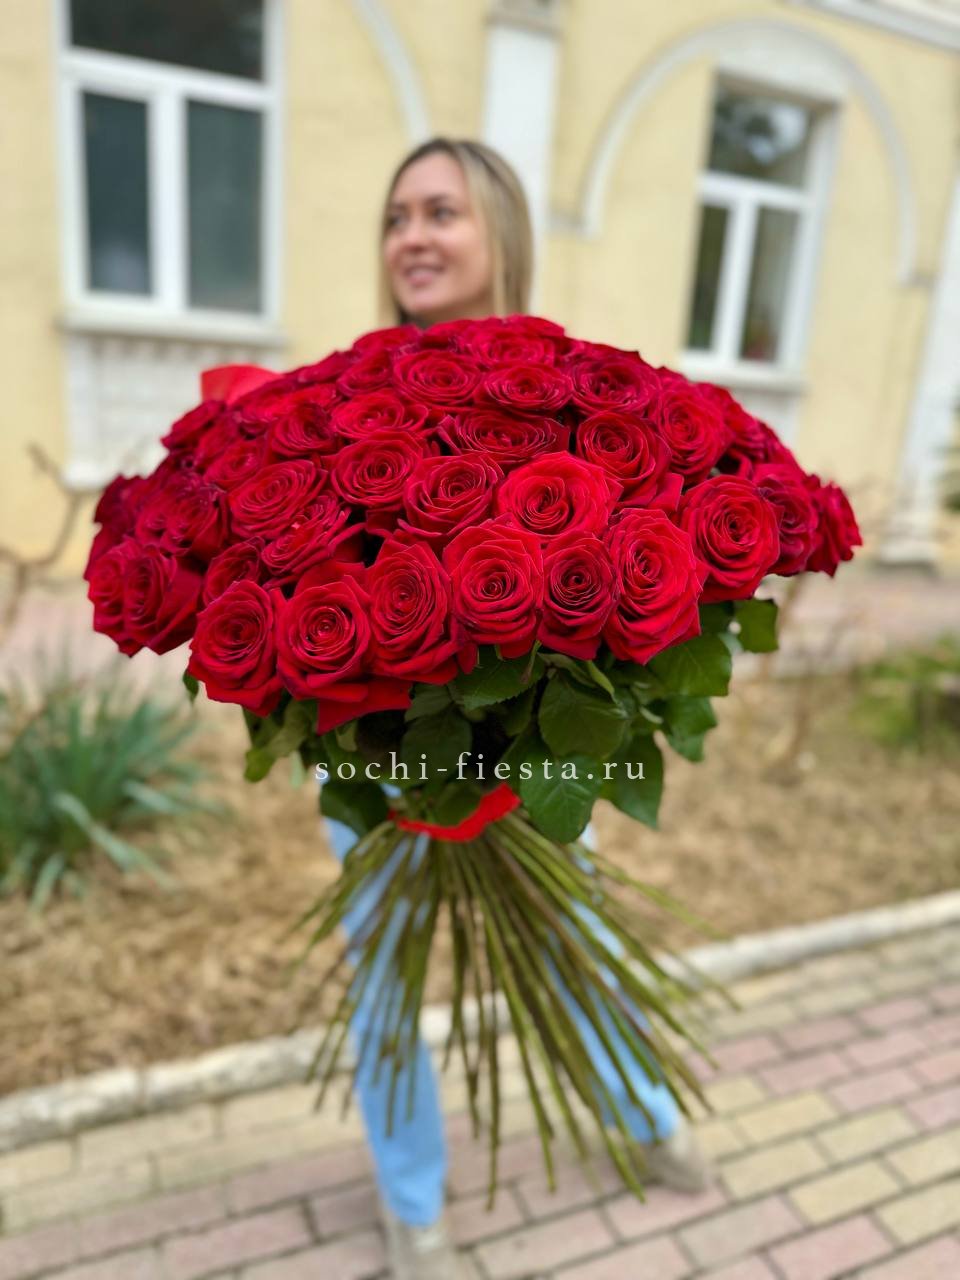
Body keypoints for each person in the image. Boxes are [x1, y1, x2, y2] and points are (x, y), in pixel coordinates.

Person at [321, 137, 713, 1280]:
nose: (412, 236)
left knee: (576, 928)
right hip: (370, 747)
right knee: (383, 971)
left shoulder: (572, 396)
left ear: (500, 229)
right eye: (397, 215)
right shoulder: (340, 403)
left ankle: (641, 1107)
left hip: (536, 751)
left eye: (440, 211)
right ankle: (411, 1201)